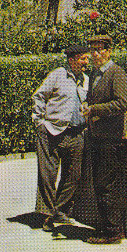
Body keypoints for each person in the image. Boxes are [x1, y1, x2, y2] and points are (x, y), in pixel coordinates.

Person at [32, 44, 90, 232]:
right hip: (52, 131)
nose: (86, 62)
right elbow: (39, 96)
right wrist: (39, 121)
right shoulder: (58, 74)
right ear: (72, 60)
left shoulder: (86, 80)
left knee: (74, 175)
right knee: (47, 176)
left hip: (76, 132)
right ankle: (46, 215)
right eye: (82, 59)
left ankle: (60, 210)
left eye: (86, 58)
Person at [83, 34, 127, 245]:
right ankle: (106, 227)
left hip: (111, 138)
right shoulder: (95, 74)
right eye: (92, 50)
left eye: (100, 50)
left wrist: (94, 109)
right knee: (100, 184)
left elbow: (122, 103)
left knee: (106, 184)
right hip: (97, 136)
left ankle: (112, 231)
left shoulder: (116, 73)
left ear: (109, 51)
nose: (95, 54)